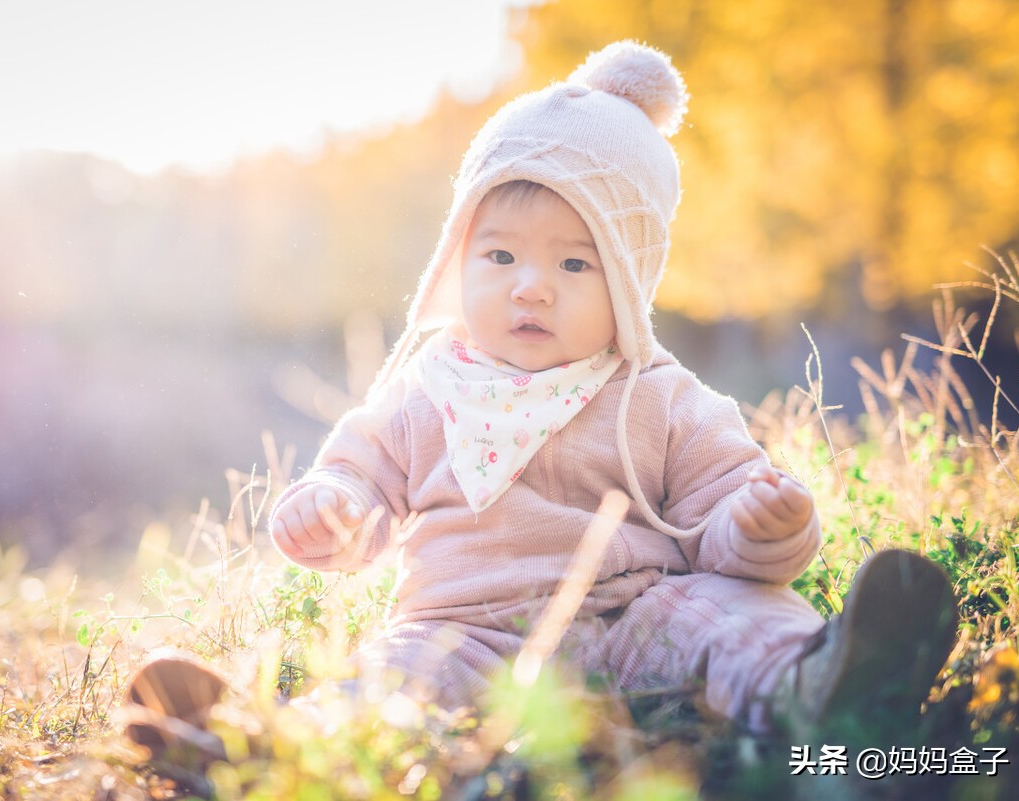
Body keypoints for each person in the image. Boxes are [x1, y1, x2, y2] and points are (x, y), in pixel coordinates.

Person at [124, 41, 958, 760]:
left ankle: (820, 683)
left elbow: (722, 514)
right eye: (499, 256)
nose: (531, 286)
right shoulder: (426, 389)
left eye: (574, 263)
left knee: (733, 612)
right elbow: (360, 481)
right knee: (396, 678)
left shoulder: (659, 394)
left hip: (637, 613)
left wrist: (762, 526)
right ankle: (256, 743)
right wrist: (330, 510)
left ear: (629, 280)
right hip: (467, 631)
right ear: (457, 257)